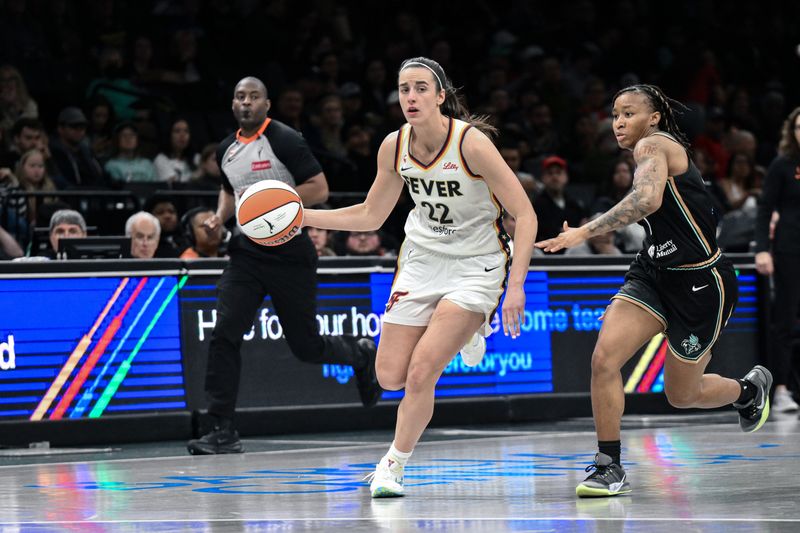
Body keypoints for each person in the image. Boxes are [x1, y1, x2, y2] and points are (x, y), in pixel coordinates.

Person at [303, 57, 537, 498]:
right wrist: (303, 216)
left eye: (420, 88)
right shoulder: (393, 146)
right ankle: (467, 327)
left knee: (421, 372)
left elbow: (524, 213)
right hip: (422, 261)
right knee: (389, 375)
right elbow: (371, 215)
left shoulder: (471, 144)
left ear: (440, 96)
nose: (410, 96)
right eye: (404, 89)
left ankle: (393, 464)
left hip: (476, 263)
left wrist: (517, 285)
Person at [535, 84, 772, 498]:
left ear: (654, 118)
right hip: (654, 272)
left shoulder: (654, 146)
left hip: (702, 283)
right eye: (614, 115)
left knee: (682, 395)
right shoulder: (644, 152)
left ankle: (748, 389)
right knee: (604, 359)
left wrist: (583, 233)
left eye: (628, 113)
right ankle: (609, 465)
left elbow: (645, 200)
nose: (619, 123)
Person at [186, 76, 381, 456]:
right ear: (232, 105)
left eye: (253, 96)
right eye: (239, 96)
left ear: (267, 104)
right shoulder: (225, 149)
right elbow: (230, 190)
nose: (246, 102)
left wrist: (274, 201)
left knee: (305, 346)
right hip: (245, 254)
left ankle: (359, 354)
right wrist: (220, 216)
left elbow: (319, 189)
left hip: (290, 252)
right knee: (225, 332)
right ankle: (222, 428)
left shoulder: (284, 139)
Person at [755, 106, 800, 413]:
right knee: (784, 318)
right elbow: (764, 208)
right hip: (789, 249)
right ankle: (781, 388)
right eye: (799, 127)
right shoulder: (782, 166)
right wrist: (762, 248)